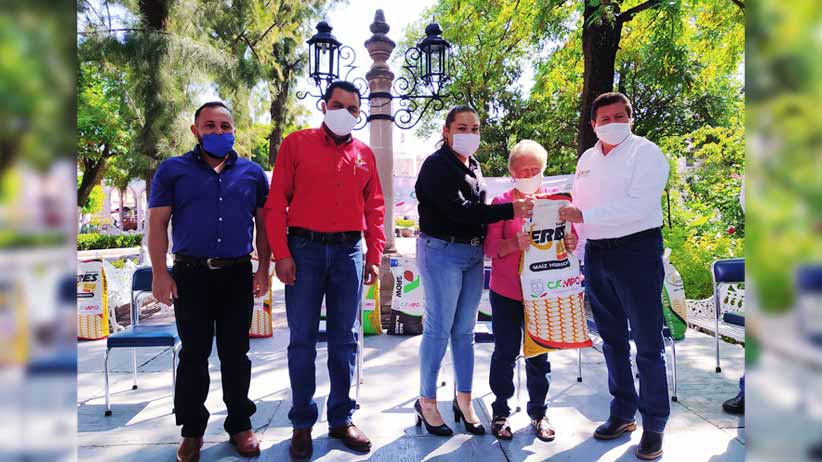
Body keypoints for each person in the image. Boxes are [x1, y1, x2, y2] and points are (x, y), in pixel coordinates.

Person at [264, 80, 385, 462]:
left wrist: (375, 255)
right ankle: (301, 423)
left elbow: (375, 208)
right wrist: (281, 254)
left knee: (345, 339)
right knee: (301, 338)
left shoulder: (365, 154)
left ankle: (341, 418)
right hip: (304, 250)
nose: (345, 112)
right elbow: (274, 204)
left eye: (353, 108)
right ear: (323, 105)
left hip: (349, 251)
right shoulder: (296, 145)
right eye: (338, 104)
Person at [148, 101, 271, 462]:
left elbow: (263, 227)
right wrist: (160, 273)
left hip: (236, 275)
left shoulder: (251, 174)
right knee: (194, 355)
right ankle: (192, 431)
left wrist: (263, 270)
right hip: (191, 276)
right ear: (195, 130)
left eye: (225, 126)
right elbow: (157, 226)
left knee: (237, 355)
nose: (219, 132)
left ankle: (240, 426)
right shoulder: (173, 171)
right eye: (211, 126)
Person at [559, 92, 671, 460]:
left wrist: (583, 219)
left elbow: (639, 206)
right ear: (593, 125)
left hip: (637, 252)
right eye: (604, 119)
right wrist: (575, 236)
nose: (613, 123)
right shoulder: (587, 159)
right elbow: (579, 205)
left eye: (620, 116)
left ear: (631, 118)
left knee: (647, 342)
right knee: (610, 340)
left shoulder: (647, 153)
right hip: (598, 255)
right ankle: (623, 412)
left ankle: (654, 423)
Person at [414, 105, 535, 436]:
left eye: (475, 128)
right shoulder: (436, 165)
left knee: (465, 331)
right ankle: (426, 401)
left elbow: (475, 212)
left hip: (471, 255)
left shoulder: (474, 165)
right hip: (442, 251)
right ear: (446, 131)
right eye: (462, 128)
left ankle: (464, 398)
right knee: (439, 328)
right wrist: (509, 209)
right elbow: (461, 211)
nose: (470, 134)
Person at [484, 140, 578, 442]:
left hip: (543, 293)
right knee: (505, 352)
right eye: (522, 170)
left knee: (539, 355)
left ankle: (539, 412)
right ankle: (501, 412)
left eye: (534, 170)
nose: (529, 175)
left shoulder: (555, 203)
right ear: (512, 172)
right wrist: (513, 244)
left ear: (543, 171)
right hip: (507, 291)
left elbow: (570, 241)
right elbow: (489, 249)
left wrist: (571, 243)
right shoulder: (500, 203)